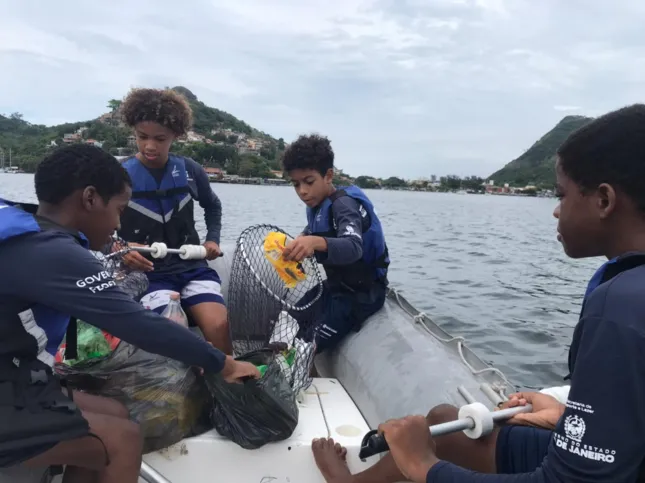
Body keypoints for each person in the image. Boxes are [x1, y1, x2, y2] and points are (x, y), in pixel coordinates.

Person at [310, 104, 645, 482]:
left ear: (604, 200)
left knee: (429, 448)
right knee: (443, 422)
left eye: (561, 195)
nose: (555, 211)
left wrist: (424, 467)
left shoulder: (620, 307)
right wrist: (566, 417)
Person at [0, 144, 260, 483]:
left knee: (117, 412)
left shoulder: (28, 229)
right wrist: (224, 363)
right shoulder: (51, 253)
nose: (119, 224)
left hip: (16, 377)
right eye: (120, 210)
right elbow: (138, 324)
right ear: (90, 199)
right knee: (124, 439)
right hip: (10, 385)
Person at [117, 87, 232, 354]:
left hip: (192, 267)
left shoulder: (190, 171)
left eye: (160, 138)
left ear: (175, 136)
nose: (150, 146)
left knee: (219, 327)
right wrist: (120, 248)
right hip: (148, 274)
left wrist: (212, 238)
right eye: (142, 137)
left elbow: (212, 205)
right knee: (173, 331)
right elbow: (97, 226)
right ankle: (183, 388)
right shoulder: (118, 175)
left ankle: (230, 384)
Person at [281, 134, 389, 353]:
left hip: (363, 294)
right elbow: (313, 231)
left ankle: (298, 373)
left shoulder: (344, 205)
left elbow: (353, 247)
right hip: (336, 287)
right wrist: (299, 244)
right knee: (287, 321)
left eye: (309, 182)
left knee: (306, 344)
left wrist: (315, 242)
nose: (302, 191)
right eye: (296, 184)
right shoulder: (316, 205)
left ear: (328, 175)